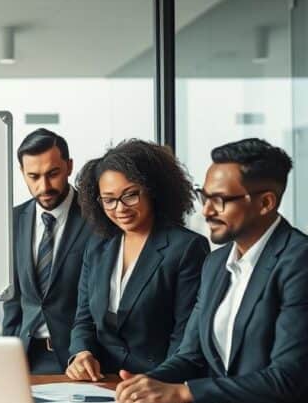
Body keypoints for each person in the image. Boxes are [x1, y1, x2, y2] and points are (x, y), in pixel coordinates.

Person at [114, 138, 308, 403]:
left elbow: (285, 378)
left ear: (265, 203)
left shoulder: (305, 260)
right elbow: (191, 355)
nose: (206, 210)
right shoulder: (216, 264)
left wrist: (183, 391)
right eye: (204, 196)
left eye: (220, 200)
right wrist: (148, 382)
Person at [65, 140, 208, 380]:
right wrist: (81, 353)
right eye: (108, 200)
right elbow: (84, 319)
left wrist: (161, 384)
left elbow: (184, 335)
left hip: (159, 384)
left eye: (130, 195)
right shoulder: (98, 245)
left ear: (153, 190)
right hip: (101, 382)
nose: (120, 208)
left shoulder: (186, 248)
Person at [3, 128, 96, 373]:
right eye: (33, 176)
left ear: (69, 166)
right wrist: (7, 354)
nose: (43, 186)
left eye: (52, 174)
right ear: (22, 173)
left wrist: (86, 351)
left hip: (78, 360)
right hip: (25, 356)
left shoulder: (96, 219)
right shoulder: (14, 219)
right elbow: (13, 300)